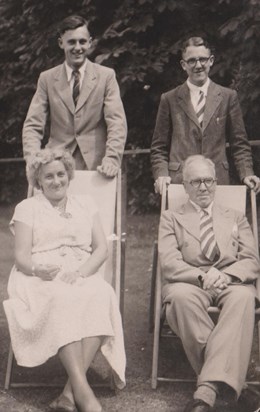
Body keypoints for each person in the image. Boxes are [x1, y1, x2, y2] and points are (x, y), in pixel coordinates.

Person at [3, 149, 126, 412]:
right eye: (49, 176)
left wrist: (81, 272)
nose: (56, 180)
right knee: (62, 298)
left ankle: (70, 394)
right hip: (37, 275)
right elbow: (22, 257)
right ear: (38, 180)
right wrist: (38, 270)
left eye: (61, 174)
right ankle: (84, 394)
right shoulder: (27, 208)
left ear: (69, 175)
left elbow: (101, 249)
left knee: (102, 294)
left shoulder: (86, 203)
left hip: (80, 270)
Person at [158, 155, 260, 412]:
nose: (203, 187)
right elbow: (169, 262)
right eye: (196, 182)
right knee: (179, 300)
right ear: (185, 185)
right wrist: (202, 276)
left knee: (244, 298)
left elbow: (251, 260)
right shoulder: (171, 217)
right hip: (190, 281)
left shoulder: (235, 216)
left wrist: (226, 276)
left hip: (230, 281)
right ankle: (235, 386)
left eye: (208, 181)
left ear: (216, 183)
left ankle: (205, 392)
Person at [151, 36, 260, 195]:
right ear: (183, 64)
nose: (198, 65)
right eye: (192, 61)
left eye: (203, 59)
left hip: (217, 181)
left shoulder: (228, 96)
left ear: (211, 61)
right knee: (181, 221)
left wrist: (247, 173)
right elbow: (158, 147)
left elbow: (239, 144)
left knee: (218, 220)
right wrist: (161, 175)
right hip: (180, 183)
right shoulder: (169, 99)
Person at [22, 15, 127, 177]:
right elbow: (33, 125)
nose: (77, 47)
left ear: (90, 43)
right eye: (71, 42)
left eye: (82, 42)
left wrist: (111, 159)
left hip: (97, 167)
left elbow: (117, 123)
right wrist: (32, 158)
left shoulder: (106, 76)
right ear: (61, 43)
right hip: (56, 167)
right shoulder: (47, 79)